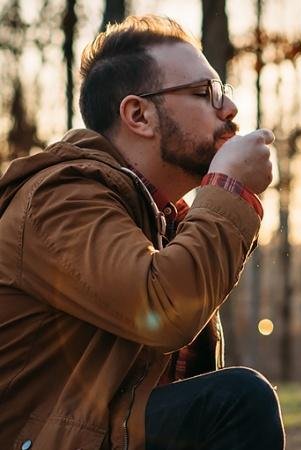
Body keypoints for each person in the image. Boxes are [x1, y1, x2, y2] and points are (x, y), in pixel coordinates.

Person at [0, 15, 285, 450]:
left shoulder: (158, 218)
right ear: (138, 115)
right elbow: (164, 308)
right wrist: (230, 188)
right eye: (203, 93)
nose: (229, 109)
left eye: (222, 92)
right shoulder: (60, 199)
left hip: (100, 432)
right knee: (236, 401)